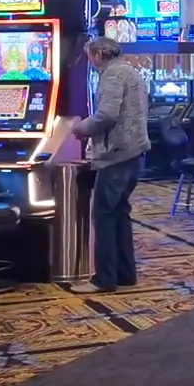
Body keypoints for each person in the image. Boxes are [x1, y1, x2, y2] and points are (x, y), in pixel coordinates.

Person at [69, 37, 149, 295]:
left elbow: (107, 115)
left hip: (117, 155)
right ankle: (125, 274)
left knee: (103, 215)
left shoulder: (113, 74)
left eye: (91, 57)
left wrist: (80, 128)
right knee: (118, 214)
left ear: (101, 53)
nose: (90, 63)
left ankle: (104, 279)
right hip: (133, 152)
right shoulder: (129, 71)